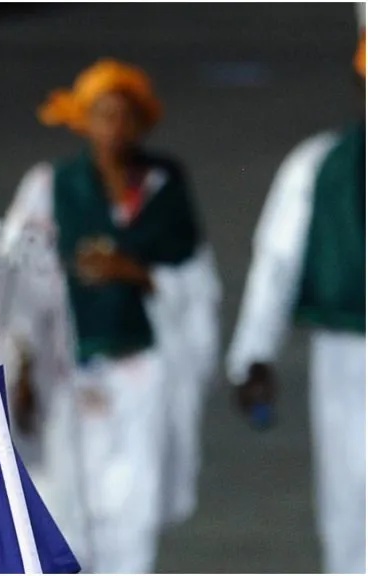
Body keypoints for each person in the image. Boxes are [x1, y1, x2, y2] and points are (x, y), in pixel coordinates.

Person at [0, 59, 221, 573]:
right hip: (68, 372)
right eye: (103, 115)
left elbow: (197, 279)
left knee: (132, 510)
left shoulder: (165, 188)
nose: (114, 128)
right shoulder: (51, 186)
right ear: (83, 120)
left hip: (142, 370)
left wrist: (137, 273)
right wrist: (20, 365)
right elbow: (17, 280)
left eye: (125, 116)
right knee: (66, 505)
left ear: (142, 121)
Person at [227, 30, 365, 575]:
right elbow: (275, 263)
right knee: (351, 492)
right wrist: (253, 355)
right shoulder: (319, 165)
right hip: (347, 355)